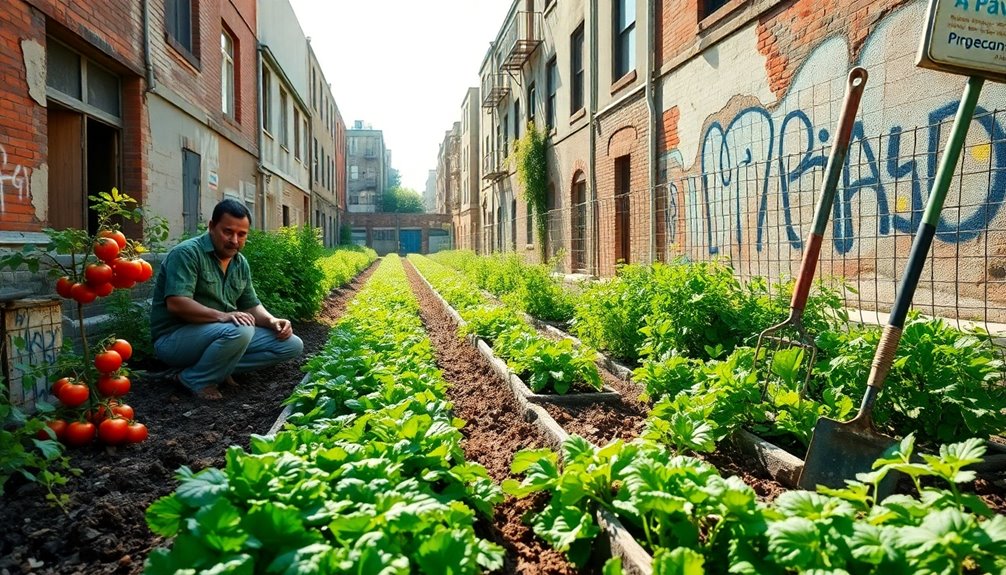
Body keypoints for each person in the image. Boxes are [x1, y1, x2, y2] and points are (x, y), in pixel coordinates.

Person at [149, 199, 304, 400]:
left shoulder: (239, 263)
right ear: (212, 227)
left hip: (221, 335)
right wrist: (224, 316)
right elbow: (177, 303)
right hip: (174, 340)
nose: (234, 240)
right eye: (228, 232)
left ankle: (213, 369)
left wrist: (272, 320)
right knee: (240, 329)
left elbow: (251, 305)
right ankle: (196, 378)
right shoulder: (187, 253)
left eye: (242, 234)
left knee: (291, 344)